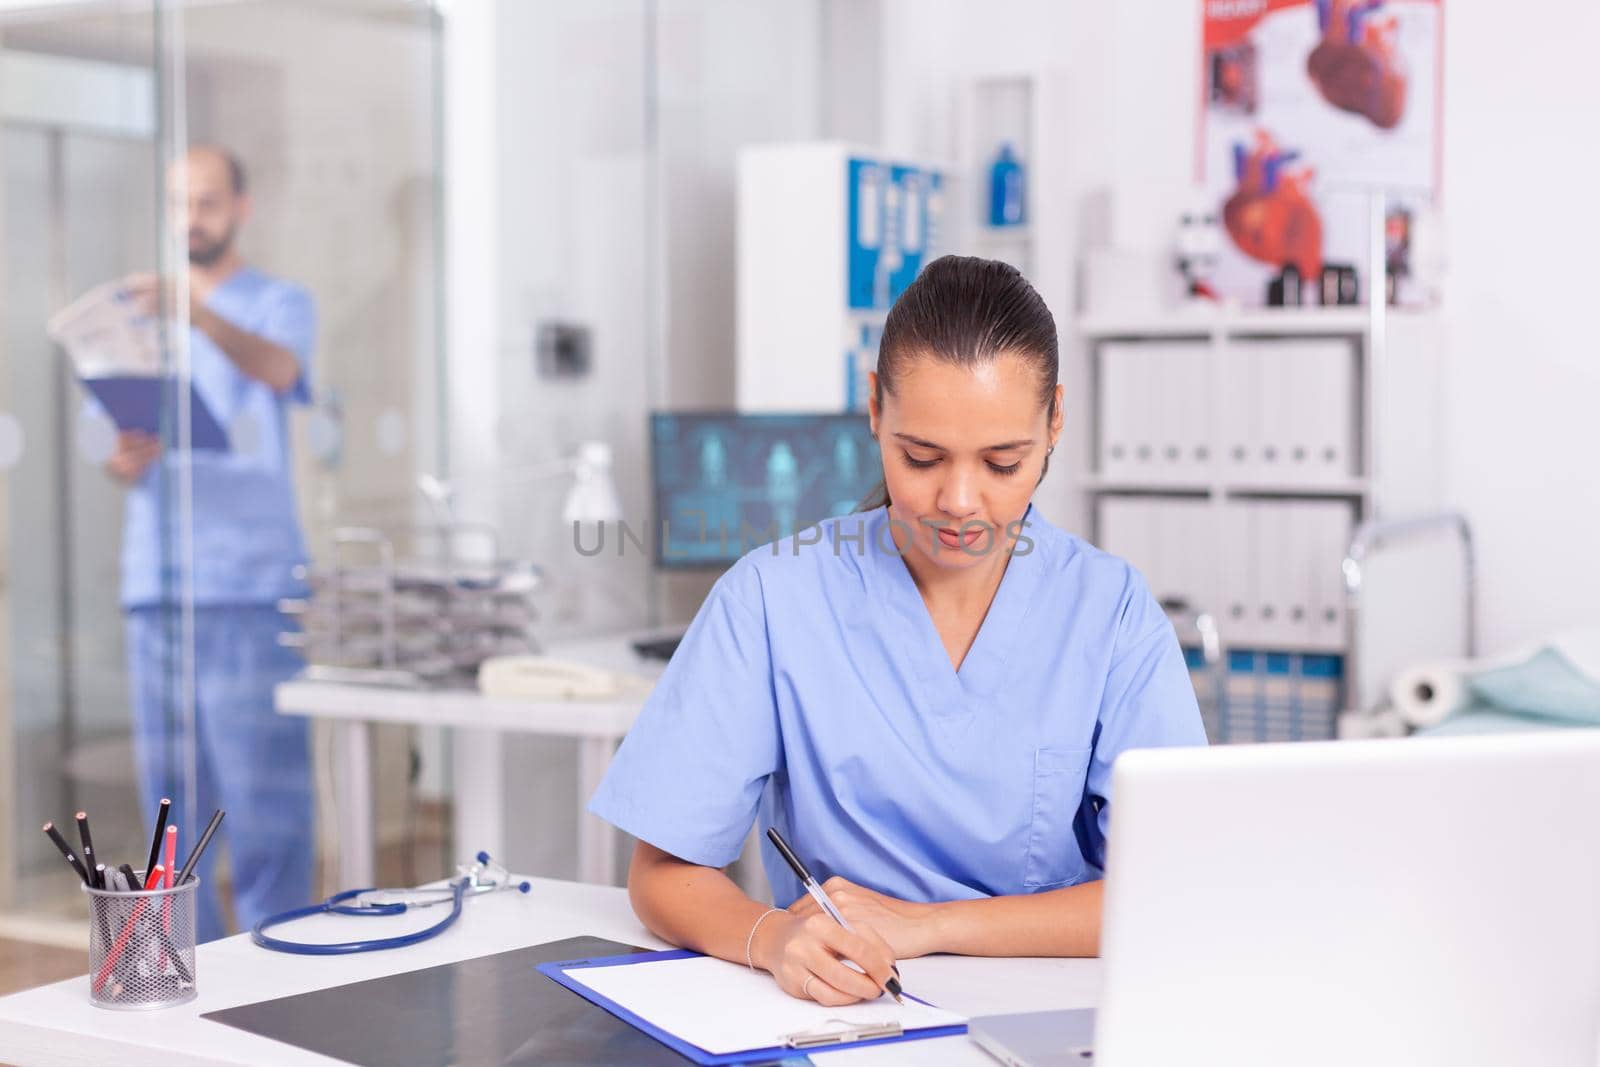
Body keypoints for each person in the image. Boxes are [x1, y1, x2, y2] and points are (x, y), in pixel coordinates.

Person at [589, 255, 1207, 1006]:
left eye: (1003, 463)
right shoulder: (771, 600)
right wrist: (772, 937)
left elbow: (1170, 888)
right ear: (875, 408)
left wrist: (929, 924)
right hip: (843, 1015)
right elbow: (662, 874)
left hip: (1053, 1018)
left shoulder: (1110, 613)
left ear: (1054, 423)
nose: (958, 500)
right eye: (922, 457)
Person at [103, 145, 315, 942]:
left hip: (250, 589)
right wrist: (122, 456)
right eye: (179, 204)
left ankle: (280, 967)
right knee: (169, 805)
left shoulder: (279, 303)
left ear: (241, 207)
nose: (192, 219)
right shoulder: (134, 317)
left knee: (267, 806)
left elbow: (281, 367)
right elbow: (111, 438)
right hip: (157, 585)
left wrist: (194, 313)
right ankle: (175, 970)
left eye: (208, 202)